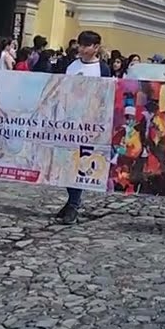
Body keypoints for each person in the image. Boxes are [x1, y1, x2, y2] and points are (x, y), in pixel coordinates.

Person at [52, 30, 112, 225]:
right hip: (69, 121)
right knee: (66, 163)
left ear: (96, 47)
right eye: (81, 45)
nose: (83, 49)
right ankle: (71, 200)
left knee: (81, 163)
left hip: (89, 124)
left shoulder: (102, 69)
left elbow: (105, 96)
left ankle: (74, 204)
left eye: (87, 45)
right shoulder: (70, 66)